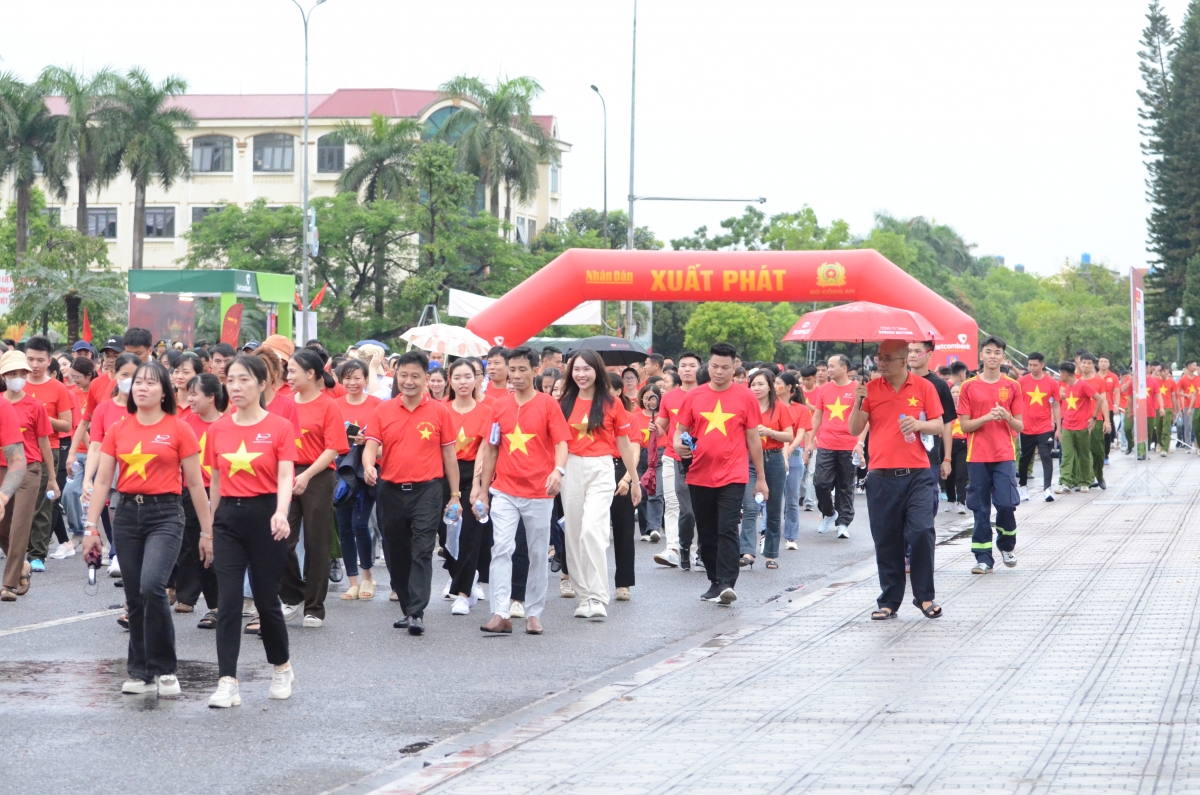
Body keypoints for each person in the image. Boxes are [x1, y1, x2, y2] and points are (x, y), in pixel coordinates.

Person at [81, 361, 210, 697]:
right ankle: (139, 671)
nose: (142, 388)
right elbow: (103, 481)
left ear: (165, 391)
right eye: (138, 382)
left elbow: (196, 484)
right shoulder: (118, 429)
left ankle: (166, 668)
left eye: (151, 383)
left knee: (153, 586)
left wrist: (208, 532)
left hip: (166, 514)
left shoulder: (179, 428)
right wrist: (90, 528)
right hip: (124, 514)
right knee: (135, 595)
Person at [204, 354, 298, 707]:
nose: (236, 386)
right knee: (228, 601)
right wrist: (212, 526)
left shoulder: (279, 427)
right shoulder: (218, 429)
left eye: (244, 379)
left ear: (263, 384)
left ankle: (282, 667)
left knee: (265, 600)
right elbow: (214, 478)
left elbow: (286, 473)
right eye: (231, 380)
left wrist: (281, 511)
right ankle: (227, 681)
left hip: (266, 515)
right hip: (229, 517)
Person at [472, 346, 570, 635]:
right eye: (511, 370)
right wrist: (482, 490)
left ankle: (534, 613)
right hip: (504, 490)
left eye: (522, 370)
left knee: (538, 553)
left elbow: (562, 442)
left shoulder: (547, 405)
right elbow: (490, 449)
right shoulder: (499, 406)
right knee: (501, 547)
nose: (515, 376)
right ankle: (500, 613)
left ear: (535, 370)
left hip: (539, 491)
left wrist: (558, 471)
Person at [363, 351, 460, 636]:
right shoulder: (383, 410)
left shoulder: (440, 411)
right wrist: (369, 466)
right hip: (390, 490)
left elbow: (450, 455)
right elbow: (370, 446)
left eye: (415, 376)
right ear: (396, 377)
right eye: (403, 375)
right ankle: (408, 608)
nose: (408, 381)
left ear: (427, 379)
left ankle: (416, 612)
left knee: (422, 549)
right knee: (395, 552)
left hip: (428, 490)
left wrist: (454, 494)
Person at [847, 340, 944, 621]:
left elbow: (939, 424)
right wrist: (858, 401)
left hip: (918, 474)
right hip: (880, 476)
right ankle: (889, 600)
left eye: (888, 358)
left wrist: (919, 425)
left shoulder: (924, 387)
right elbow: (854, 428)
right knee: (887, 540)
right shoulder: (871, 390)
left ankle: (924, 596)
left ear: (904, 360)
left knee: (922, 531)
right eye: (879, 357)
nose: (881, 362)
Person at [674, 342, 766, 606]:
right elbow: (680, 431)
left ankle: (727, 582)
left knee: (727, 527)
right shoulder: (693, 396)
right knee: (706, 529)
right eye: (714, 366)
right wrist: (680, 446)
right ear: (709, 366)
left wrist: (760, 478)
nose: (719, 372)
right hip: (699, 473)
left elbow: (753, 438)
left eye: (725, 367)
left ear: (734, 366)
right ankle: (715, 581)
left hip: (733, 473)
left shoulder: (745, 396)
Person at [558, 350, 641, 618]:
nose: (581, 374)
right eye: (576, 369)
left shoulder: (611, 403)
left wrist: (634, 480)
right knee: (573, 534)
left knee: (592, 532)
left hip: (602, 469)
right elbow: (555, 443)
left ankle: (598, 596)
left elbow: (625, 444)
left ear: (597, 371)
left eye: (587, 369)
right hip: (571, 467)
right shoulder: (563, 403)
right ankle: (583, 598)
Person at [280, 349, 349, 628]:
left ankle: (314, 607)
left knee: (316, 542)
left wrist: (306, 475)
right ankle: (293, 593)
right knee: (281, 539)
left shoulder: (328, 405)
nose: (289, 376)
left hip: (318, 476)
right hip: (286, 474)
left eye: (294, 370)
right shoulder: (284, 403)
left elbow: (333, 448)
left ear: (311, 373)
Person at [956, 336, 1024, 575]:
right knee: (980, 509)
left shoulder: (1013, 386)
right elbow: (964, 426)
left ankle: (1006, 545)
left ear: (1003, 357)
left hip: (1004, 454)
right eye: (988, 352)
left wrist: (1006, 417)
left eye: (997, 352)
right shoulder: (968, 386)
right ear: (981, 356)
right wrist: (986, 418)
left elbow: (1020, 427)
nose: (993, 356)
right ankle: (983, 558)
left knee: (1006, 504)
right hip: (977, 457)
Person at [21, 336, 74, 572]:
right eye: (30, 359)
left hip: (47, 450)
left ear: (49, 360)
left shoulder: (58, 388)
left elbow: (67, 425)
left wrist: (40, 416)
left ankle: (37, 554)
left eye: (40, 360)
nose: (34, 364)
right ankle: (16, 549)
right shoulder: (15, 383)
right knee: (13, 502)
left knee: (43, 503)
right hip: (15, 449)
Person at [442, 359, 490, 615]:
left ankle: (462, 593)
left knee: (471, 533)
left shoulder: (486, 411)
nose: (463, 382)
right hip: (443, 475)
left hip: (474, 474)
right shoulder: (441, 409)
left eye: (468, 377)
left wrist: (478, 484)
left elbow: (484, 448)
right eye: (457, 377)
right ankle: (462, 577)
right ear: (450, 380)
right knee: (444, 532)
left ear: (476, 379)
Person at [333, 359, 382, 601]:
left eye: (357, 378)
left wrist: (368, 441)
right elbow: (327, 440)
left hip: (368, 469)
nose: (352, 383)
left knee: (361, 525)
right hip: (341, 469)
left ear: (365, 379)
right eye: (348, 378)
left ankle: (367, 577)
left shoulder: (376, 404)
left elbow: (384, 439)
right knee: (344, 527)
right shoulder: (334, 405)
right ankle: (352, 581)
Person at [178, 373, 224, 627]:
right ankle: (215, 606)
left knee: (223, 548)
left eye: (195, 394)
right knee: (200, 549)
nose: (190, 399)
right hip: (190, 494)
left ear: (211, 397)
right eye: (189, 393)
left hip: (223, 492)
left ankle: (232, 602)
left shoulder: (228, 424)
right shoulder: (184, 423)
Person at [740, 368, 791, 569]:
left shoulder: (780, 408)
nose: (756, 388)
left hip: (774, 458)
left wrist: (770, 432)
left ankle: (771, 554)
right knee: (750, 507)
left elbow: (789, 435)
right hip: (750, 460)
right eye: (753, 384)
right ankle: (747, 552)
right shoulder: (744, 407)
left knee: (773, 507)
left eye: (761, 384)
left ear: (770, 387)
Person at [653, 351, 700, 569]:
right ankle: (672, 548)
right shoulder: (669, 397)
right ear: (677, 370)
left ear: (699, 369)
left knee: (696, 507)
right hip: (673, 457)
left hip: (701, 459)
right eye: (683, 365)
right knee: (673, 503)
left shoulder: (705, 394)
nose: (687, 369)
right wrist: (657, 428)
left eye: (692, 365)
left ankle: (696, 549)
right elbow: (663, 425)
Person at [809, 355, 862, 539]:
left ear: (844, 368)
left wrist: (860, 443)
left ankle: (844, 523)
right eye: (827, 366)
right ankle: (830, 513)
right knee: (821, 483)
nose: (828, 370)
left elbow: (865, 419)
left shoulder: (857, 389)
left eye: (832, 366)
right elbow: (817, 416)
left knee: (845, 486)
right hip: (826, 443)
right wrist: (810, 438)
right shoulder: (824, 389)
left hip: (848, 444)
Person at [0, 352, 38, 601]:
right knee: (3, 530)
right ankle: (23, 566)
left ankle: (9, 582)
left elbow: (18, 459)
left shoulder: (3, 407)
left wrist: (2, 498)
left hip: (28, 470)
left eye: (20, 373)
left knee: (19, 527)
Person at [1054, 362, 1108, 493]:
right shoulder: (1065, 387)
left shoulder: (1083, 385)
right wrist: (1059, 428)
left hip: (1082, 426)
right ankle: (1065, 482)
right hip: (1067, 426)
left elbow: (1099, 399)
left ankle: (1084, 482)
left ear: (1065, 374)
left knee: (1084, 455)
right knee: (1067, 455)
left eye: (1060, 373)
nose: (1059, 376)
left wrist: (1094, 418)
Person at [776, 372, 811, 550]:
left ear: (789, 387)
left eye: (778, 383)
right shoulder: (770, 407)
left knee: (791, 497)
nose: (775, 386)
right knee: (773, 497)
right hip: (773, 452)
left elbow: (801, 432)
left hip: (794, 453)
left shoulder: (801, 409)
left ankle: (791, 536)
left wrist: (790, 448)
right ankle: (768, 533)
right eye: (773, 383)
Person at [1017, 353, 1059, 502]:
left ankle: (1047, 489)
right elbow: (1014, 403)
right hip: (1026, 427)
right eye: (1030, 365)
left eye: (1035, 365)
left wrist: (1058, 427)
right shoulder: (1021, 381)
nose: (1032, 368)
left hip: (1045, 427)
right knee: (1025, 459)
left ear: (1042, 365)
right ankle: (1023, 487)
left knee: (1046, 456)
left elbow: (1056, 404)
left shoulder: (1052, 382)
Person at [631, 384, 663, 543]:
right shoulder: (635, 416)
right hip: (641, 454)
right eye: (646, 398)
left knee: (656, 492)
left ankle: (654, 528)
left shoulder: (663, 416)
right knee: (642, 492)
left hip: (659, 454)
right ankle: (644, 530)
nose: (650, 402)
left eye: (653, 398)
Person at [1078, 353, 1112, 487]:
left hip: (1096, 419)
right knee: (1083, 451)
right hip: (1080, 421)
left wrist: (1106, 420)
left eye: (1089, 363)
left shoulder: (1099, 381)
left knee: (1098, 451)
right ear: (1079, 364)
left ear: (1093, 365)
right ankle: (1087, 478)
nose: (1086, 366)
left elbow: (1103, 401)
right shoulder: (1075, 381)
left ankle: (1099, 476)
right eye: (1084, 363)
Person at [945, 384, 969, 513]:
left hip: (963, 444)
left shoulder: (966, 408)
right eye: (953, 392)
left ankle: (961, 501)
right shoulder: (946, 409)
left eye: (957, 392)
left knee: (961, 474)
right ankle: (951, 500)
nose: (955, 395)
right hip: (948, 443)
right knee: (948, 474)